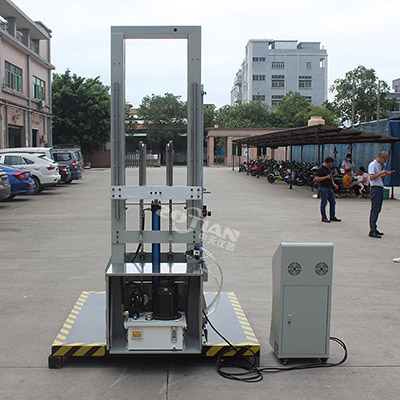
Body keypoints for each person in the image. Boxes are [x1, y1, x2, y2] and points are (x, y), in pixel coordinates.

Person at [368, 151, 393, 238]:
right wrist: (381, 172)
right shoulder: (373, 165)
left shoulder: (378, 165)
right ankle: (372, 230)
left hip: (379, 187)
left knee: (378, 209)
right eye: (385, 159)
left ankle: (374, 228)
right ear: (381, 158)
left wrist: (384, 174)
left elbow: (377, 177)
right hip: (375, 188)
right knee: (375, 209)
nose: (385, 161)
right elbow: (371, 177)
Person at [315, 157, 341, 223]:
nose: (330, 166)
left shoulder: (328, 169)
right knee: (324, 202)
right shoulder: (320, 169)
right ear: (326, 163)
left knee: (333, 202)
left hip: (329, 187)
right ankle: (324, 217)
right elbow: (317, 178)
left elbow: (331, 177)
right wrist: (326, 177)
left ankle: (332, 216)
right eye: (329, 165)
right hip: (323, 187)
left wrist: (334, 184)